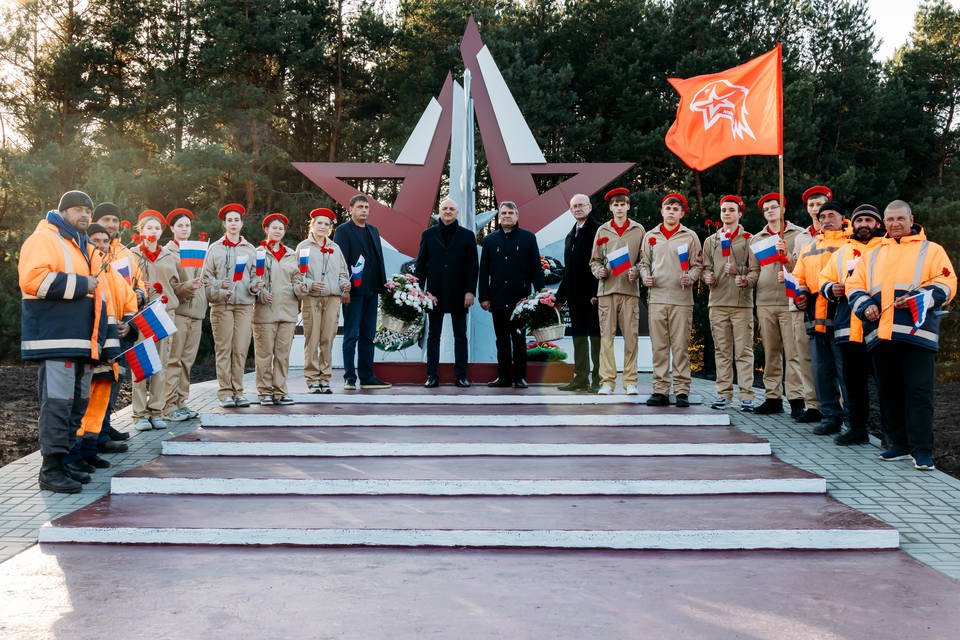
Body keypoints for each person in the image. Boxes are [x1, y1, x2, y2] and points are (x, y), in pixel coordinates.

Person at [848, 200, 956, 471]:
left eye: (900, 218)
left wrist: (919, 298)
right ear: (884, 222)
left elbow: (947, 282)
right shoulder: (872, 254)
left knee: (919, 393)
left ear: (911, 220)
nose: (895, 224)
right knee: (889, 392)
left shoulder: (931, 250)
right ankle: (899, 444)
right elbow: (854, 284)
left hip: (917, 334)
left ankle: (922, 450)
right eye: (890, 219)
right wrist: (865, 305)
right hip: (882, 335)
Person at [19, 190, 111, 493]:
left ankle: (65, 464)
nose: (85, 215)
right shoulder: (45, 238)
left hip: (81, 341)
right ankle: (51, 469)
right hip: (54, 339)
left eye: (88, 210)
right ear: (64, 212)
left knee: (77, 404)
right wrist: (82, 284)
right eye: (78, 210)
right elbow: (32, 279)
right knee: (58, 404)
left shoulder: (81, 244)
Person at [818, 204, 885, 445]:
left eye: (869, 220)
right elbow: (824, 278)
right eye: (860, 220)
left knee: (885, 383)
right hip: (849, 327)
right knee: (853, 382)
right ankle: (857, 428)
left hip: (881, 327)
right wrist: (831, 289)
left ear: (878, 224)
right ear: (853, 224)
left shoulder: (887, 247)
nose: (864, 225)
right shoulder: (843, 251)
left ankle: (891, 434)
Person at [72, 223, 136, 467]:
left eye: (105, 240)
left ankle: (90, 449)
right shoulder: (85, 271)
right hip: (91, 346)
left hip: (113, 346)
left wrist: (128, 324)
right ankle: (76, 453)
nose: (101, 245)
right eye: (95, 240)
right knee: (84, 403)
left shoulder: (113, 272)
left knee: (101, 401)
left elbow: (129, 302)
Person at [792, 200, 850, 435]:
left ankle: (852, 420)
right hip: (815, 314)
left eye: (831, 216)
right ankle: (830, 417)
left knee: (845, 369)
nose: (826, 220)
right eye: (822, 216)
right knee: (821, 370)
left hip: (844, 313)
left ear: (842, 218)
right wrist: (800, 295)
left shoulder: (852, 243)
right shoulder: (810, 247)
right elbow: (799, 278)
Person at [640, 193, 702, 407]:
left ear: (682, 213)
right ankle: (660, 391)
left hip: (681, 299)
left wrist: (691, 276)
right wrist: (644, 277)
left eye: (676, 209)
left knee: (680, 346)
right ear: (662, 211)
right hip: (656, 298)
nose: (672, 212)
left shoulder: (690, 236)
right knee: (659, 347)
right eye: (668, 208)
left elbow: (698, 265)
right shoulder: (651, 236)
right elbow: (643, 263)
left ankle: (682, 391)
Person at [701, 195, 760, 411]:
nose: (727, 213)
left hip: (742, 304)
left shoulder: (749, 239)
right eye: (724, 210)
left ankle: (747, 396)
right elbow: (705, 268)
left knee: (744, 352)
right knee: (722, 350)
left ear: (740, 213)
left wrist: (741, 273)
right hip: (717, 303)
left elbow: (756, 271)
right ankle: (723, 395)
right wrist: (707, 277)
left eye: (731, 210)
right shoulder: (711, 241)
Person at [479, 201, 545, 388]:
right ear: (499, 216)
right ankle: (503, 377)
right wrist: (483, 296)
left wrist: (541, 297)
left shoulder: (528, 238)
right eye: (503, 213)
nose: (506, 216)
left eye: (510, 213)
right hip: (497, 298)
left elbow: (536, 270)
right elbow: (484, 272)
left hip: (521, 300)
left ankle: (520, 377)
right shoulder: (490, 240)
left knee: (519, 338)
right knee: (501, 340)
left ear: (517, 215)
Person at [751, 193, 807, 414]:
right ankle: (772, 397)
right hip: (764, 300)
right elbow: (755, 271)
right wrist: (744, 279)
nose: (770, 212)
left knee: (793, 352)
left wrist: (789, 263)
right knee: (771, 351)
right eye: (766, 209)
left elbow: (803, 268)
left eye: (774, 207)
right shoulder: (757, 239)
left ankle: (796, 399)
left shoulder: (799, 235)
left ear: (783, 209)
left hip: (790, 301)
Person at [415, 198, 479, 388]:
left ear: (457, 212)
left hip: (460, 294)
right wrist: (420, 292)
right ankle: (432, 376)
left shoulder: (468, 236)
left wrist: (470, 291)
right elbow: (420, 266)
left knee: (461, 335)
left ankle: (461, 376)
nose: (448, 211)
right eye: (445, 208)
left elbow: (472, 267)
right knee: (433, 335)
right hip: (434, 294)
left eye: (452, 208)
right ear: (439, 211)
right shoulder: (428, 235)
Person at [130, 210, 184, 431]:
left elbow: (178, 286)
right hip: (141, 313)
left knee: (160, 363)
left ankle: (157, 410)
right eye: (148, 227)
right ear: (140, 231)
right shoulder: (131, 254)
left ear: (162, 231)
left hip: (163, 313)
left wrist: (190, 287)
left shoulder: (169, 255)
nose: (153, 231)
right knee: (142, 363)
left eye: (156, 228)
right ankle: (140, 413)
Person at [203, 203, 260, 407]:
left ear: (242, 223)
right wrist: (220, 285)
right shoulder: (214, 248)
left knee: (241, 349)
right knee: (224, 349)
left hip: (244, 305)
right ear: (224, 224)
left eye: (237, 220)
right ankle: (225, 392)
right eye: (230, 220)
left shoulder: (250, 249)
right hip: (221, 306)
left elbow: (256, 276)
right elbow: (206, 278)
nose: (233, 223)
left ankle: (238, 391)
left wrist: (255, 287)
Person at [589, 188, 644, 395]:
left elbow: (645, 259)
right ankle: (607, 382)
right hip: (607, 291)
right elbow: (594, 260)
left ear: (628, 206)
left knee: (631, 337)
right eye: (616, 205)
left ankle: (630, 381)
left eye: (623, 204)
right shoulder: (602, 230)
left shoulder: (639, 230)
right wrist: (599, 271)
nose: (619, 208)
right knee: (607, 337)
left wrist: (637, 271)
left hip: (629, 291)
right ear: (610, 207)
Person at [333, 194, 391, 390]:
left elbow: (378, 258)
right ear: (351, 209)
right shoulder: (342, 231)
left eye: (366, 207)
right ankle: (350, 377)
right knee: (351, 335)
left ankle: (367, 377)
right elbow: (340, 263)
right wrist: (344, 289)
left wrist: (382, 287)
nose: (364, 210)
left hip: (372, 290)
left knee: (368, 335)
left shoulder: (373, 230)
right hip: (352, 292)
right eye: (360, 207)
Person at [790, 185, 833, 422]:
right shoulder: (801, 238)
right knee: (805, 355)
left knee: (832, 357)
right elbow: (796, 271)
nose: (815, 209)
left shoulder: (841, 234)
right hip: (805, 304)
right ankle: (813, 405)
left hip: (831, 303)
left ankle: (836, 406)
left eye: (819, 204)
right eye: (811, 205)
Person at [297, 208, 350, 394]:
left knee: (327, 338)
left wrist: (345, 284)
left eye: (326, 224)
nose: (322, 227)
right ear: (312, 224)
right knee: (312, 339)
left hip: (333, 299)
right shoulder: (303, 247)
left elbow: (344, 273)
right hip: (312, 299)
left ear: (330, 228)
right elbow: (297, 275)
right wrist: (310, 284)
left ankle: (324, 378)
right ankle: (312, 378)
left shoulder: (335, 248)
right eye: (319, 223)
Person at [162, 208, 206, 422]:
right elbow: (169, 286)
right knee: (174, 360)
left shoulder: (197, 250)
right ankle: (168, 406)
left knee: (187, 362)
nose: (184, 228)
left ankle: (181, 402)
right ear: (172, 228)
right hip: (179, 312)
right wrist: (186, 286)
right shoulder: (167, 252)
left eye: (187, 225)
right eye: (180, 225)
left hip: (197, 313)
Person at [252, 214, 300, 405]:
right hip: (265, 312)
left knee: (282, 355)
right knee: (264, 355)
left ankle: (280, 391)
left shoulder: (291, 254)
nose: (278, 231)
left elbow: (297, 278)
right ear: (266, 229)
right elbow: (252, 279)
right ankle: (264, 391)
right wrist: (261, 293)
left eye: (281, 228)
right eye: (274, 228)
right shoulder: (257, 253)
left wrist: (300, 288)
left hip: (288, 312)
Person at [556, 193, 602, 392]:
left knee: (596, 339)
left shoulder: (598, 230)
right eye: (574, 206)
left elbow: (603, 263)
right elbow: (569, 270)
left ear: (590, 207)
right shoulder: (570, 234)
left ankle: (598, 380)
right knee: (579, 339)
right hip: (574, 298)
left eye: (581, 205)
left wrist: (597, 293)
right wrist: (559, 297)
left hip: (593, 297)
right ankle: (580, 378)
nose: (577, 209)